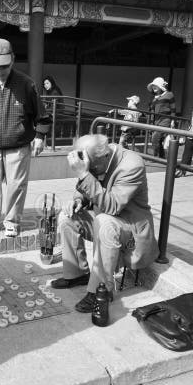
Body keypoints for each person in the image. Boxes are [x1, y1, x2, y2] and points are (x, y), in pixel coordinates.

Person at [50, 134, 158, 313]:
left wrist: (84, 173)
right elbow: (86, 187)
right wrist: (78, 201)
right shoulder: (98, 158)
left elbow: (113, 206)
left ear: (105, 157)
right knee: (67, 217)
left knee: (104, 221)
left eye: (91, 168)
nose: (90, 171)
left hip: (131, 230)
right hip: (107, 222)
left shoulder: (132, 165)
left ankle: (100, 290)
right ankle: (77, 274)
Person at [0, 38, 49, 238]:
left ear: (13, 60)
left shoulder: (26, 84)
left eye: (4, 66)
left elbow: (42, 115)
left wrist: (40, 136)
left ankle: (12, 221)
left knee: (16, 185)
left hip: (18, 145)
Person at [146, 77, 176, 159]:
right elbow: (151, 109)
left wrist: (173, 120)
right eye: (152, 86)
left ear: (160, 86)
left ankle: (157, 157)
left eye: (155, 85)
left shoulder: (169, 95)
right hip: (156, 121)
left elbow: (173, 109)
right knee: (158, 140)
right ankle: (162, 158)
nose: (153, 87)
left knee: (155, 139)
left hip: (165, 120)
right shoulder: (154, 97)